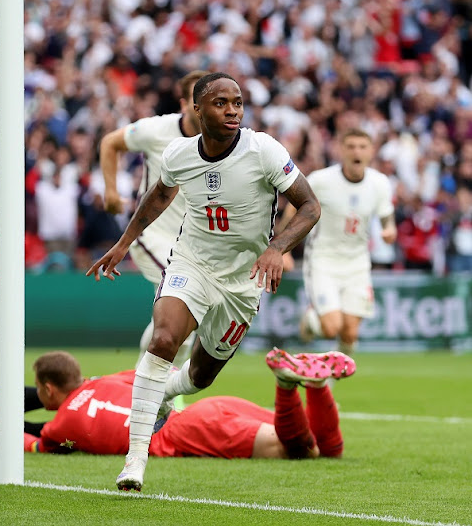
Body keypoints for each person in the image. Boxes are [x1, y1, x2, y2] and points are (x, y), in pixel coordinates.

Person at [86, 72, 321, 491]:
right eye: (220, 102)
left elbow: (309, 206)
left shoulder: (262, 149)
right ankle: (135, 460)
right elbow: (158, 195)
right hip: (191, 263)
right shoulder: (178, 153)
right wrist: (123, 243)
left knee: (200, 377)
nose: (232, 110)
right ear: (197, 108)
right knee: (163, 340)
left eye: (237, 102)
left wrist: (276, 248)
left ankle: (161, 394)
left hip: (242, 280)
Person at [24, 349, 354, 464]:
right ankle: (318, 386)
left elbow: (37, 444)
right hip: (204, 411)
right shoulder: (105, 381)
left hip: (187, 432)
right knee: (328, 451)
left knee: (301, 451)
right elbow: (160, 374)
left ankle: (285, 384)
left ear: (49, 390)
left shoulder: (60, 425)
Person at [100, 69, 207, 367]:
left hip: (193, 245)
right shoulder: (156, 130)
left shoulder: (224, 141)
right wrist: (110, 190)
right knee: (183, 301)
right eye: (197, 102)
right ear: (184, 104)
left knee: (185, 320)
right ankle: (154, 384)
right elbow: (110, 142)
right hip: (153, 234)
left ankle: (147, 380)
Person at [284, 129, 396, 356]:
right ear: (341, 150)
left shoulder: (380, 183)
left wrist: (389, 230)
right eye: (351, 146)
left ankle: (327, 382)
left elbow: (387, 217)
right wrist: (283, 248)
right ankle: (310, 319)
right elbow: (293, 208)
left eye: (362, 147)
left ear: (371, 151)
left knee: (350, 334)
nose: (357, 151)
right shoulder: (321, 180)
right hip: (323, 261)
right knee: (331, 328)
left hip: (357, 263)